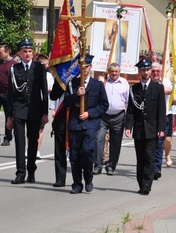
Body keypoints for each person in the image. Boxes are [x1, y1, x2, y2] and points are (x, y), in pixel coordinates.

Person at [64, 55, 109, 194]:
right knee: (75, 155)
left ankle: (88, 178)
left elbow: (104, 105)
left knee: (87, 151)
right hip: (75, 124)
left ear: (91, 67)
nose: (84, 70)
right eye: (81, 67)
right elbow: (66, 103)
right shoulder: (72, 84)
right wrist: (76, 95)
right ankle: (77, 184)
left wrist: (90, 113)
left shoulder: (97, 85)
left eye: (87, 67)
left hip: (90, 123)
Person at [6, 39, 49, 184]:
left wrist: (45, 112)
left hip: (35, 110)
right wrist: (9, 116)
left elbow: (44, 90)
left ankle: (31, 171)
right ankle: (20, 173)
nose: (27, 54)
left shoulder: (39, 68)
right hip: (18, 109)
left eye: (30, 51)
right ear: (19, 53)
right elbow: (10, 94)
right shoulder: (14, 69)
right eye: (24, 51)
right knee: (19, 142)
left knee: (33, 141)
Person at [125, 59, 166, 196]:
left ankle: (147, 185)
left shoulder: (158, 88)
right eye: (143, 70)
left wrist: (161, 128)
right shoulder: (134, 89)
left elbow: (161, 110)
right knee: (140, 157)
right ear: (139, 72)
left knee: (149, 157)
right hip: (139, 129)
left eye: (147, 69)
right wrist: (128, 126)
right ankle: (141, 183)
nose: (146, 72)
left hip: (152, 128)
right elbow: (130, 110)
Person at [93, 63, 129, 176]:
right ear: (108, 71)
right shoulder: (103, 82)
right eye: (112, 71)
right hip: (103, 116)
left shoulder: (124, 83)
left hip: (118, 116)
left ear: (119, 72)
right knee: (98, 139)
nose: (114, 73)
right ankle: (98, 165)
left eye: (116, 71)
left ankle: (111, 166)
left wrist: (126, 116)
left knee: (116, 142)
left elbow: (128, 100)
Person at [151, 61, 176, 179]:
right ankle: (150, 166)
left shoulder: (165, 81)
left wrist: (157, 86)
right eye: (153, 71)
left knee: (161, 141)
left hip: (164, 115)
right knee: (152, 143)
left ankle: (157, 168)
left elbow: (168, 90)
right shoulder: (149, 81)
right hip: (151, 117)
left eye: (157, 71)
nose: (155, 73)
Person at [49, 80, 68, 187]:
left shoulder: (81, 78)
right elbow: (53, 96)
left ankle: (79, 179)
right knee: (60, 151)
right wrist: (61, 83)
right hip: (61, 118)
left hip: (76, 118)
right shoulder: (60, 78)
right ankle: (60, 178)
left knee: (78, 152)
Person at [35, 53, 54, 159]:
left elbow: (51, 89)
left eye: (47, 64)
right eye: (45, 64)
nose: (47, 66)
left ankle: (37, 150)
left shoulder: (49, 76)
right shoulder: (32, 73)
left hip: (43, 104)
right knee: (31, 128)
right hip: (33, 104)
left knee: (40, 129)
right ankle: (29, 149)